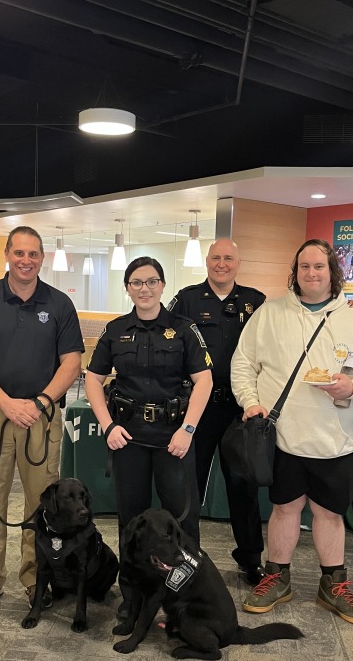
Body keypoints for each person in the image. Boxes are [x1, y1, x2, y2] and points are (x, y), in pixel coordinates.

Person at [231, 238, 353, 626]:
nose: (311, 273)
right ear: (295, 272)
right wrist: (250, 402)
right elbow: (243, 364)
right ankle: (276, 577)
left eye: (319, 267)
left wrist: (352, 388)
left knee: (329, 513)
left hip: (336, 439)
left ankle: (333, 584)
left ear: (332, 272)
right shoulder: (270, 313)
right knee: (284, 508)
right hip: (282, 436)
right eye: (304, 267)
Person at [0, 226, 82, 615]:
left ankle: (34, 577)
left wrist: (42, 400)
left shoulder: (59, 303)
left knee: (41, 500)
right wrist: (7, 403)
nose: (26, 260)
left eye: (33, 254)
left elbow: (73, 361)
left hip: (40, 414)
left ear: (42, 258)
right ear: (7, 255)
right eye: (19, 253)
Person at [85, 256, 213, 612]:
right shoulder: (115, 330)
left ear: (162, 286)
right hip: (129, 438)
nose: (145, 288)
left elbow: (205, 380)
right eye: (137, 282)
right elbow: (93, 380)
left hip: (174, 437)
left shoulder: (185, 329)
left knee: (183, 519)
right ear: (127, 288)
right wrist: (107, 425)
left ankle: (185, 595)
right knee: (132, 520)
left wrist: (188, 429)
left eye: (152, 281)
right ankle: (134, 595)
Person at [167, 238, 266, 584]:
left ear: (239, 264)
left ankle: (251, 560)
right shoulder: (187, 299)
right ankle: (185, 555)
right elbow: (169, 344)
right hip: (197, 409)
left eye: (228, 258)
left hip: (239, 411)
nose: (221, 264)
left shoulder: (256, 302)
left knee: (243, 488)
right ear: (207, 262)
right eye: (215, 258)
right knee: (188, 487)